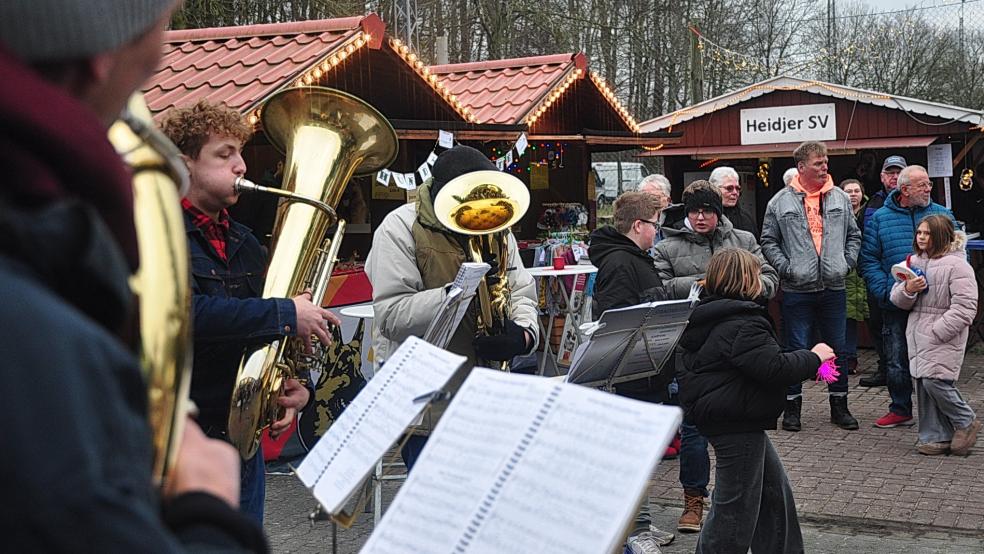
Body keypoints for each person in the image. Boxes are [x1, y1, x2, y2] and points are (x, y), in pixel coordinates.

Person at [0, 1, 266, 551]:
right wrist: (207, 508)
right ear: (100, 56)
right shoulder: (32, 327)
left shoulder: (243, 242)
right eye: (160, 27)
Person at [162, 99, 338, 524]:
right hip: (183, 442)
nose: (241, 165)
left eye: (240, 153)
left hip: (242, 443)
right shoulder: (159, 232)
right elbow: (184, 315)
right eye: (224, 155)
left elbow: (264, 336)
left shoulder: (246, 244)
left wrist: (291, 384)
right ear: (184, 165)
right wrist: (284, 312)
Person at [366, 145, 539, 470]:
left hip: (490, 397)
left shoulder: (497, 225)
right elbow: (391, 315)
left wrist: (524, 335)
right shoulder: (398, 227)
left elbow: (521, 290)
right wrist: (457, 292)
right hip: (430, 404)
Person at [677, 248, 832, 554]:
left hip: (730, 415)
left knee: (773, 495)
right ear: (747, 280)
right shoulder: (743, 322)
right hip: (735, 420)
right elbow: (775, 368)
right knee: (734, 512)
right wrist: (814, 357)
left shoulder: (711, 314)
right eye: (758, 274)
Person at [653, 180, 779, 533]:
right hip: (694, 344)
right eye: (694, 211)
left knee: (745, 424)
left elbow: (770, 278)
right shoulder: (667, 246)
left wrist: (743, 286)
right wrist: (706, 281)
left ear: (718, 212)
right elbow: (660, 289)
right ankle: (693, 499)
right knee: (694, 426)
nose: (701, 217)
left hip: (741, 341)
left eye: (708, 211)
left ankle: (743, 502)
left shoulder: (743, 239)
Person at [589, 190, 675, 552]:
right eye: (655, 224)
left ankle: (640, 521)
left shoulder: (634, 258)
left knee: (641, 454)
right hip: (631, 375)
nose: (657, 231)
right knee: (631, 455)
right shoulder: (621, 263)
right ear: (638, 225)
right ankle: (635, 531)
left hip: (645, 371)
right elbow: (617, 323)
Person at [761, 140, 861, 433]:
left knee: (835, 349)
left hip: (833, 286)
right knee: (796, 349)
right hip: (797, 289)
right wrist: (786, 268)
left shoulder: (840, 197)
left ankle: (838, 404)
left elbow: (854, 235)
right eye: (818, 163)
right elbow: (768, 240)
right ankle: (792, 407)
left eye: (826, 162)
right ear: (801, 167)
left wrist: (846, 263)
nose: (824, 167)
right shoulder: (780, 201)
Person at [859, 165, 954, 429]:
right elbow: (868, 259)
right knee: (896, 358)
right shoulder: (880, 218)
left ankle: (940, 412)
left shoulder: (942, 214)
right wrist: (884, 290)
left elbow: (959, 252)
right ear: (904, 190)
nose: (928, 188)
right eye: (922, 185)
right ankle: (900, 408)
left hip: (933, 303)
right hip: (895, 301)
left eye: (929, 184)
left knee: (934, 359)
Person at [890, 215, 980, 456]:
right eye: (919, 232)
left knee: (935, 380)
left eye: (927, 233)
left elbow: (966, 307)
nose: (921, 237)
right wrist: (908, 290)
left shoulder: (958, 265)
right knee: (922, 382)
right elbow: (897, 299)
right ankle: (936, 437)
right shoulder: (913, 261)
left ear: (940, 235)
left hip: (943, 335)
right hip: (917, 333)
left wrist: (938, 331)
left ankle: (965, 420)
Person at [858, 155, 906, 387]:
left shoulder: (916, 202)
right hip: (877, 277)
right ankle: (885, 368)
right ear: (882, 177)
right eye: (890, 173)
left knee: (905, 329)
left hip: (907, 279)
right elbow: (861, 240)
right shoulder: (871, 204)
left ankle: (905, 372)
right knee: (877, 325)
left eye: (899, 173)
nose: (894, 177)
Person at [841, 179, 869, 374]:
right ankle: (849, 358)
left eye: (856, 191)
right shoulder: (836, 213)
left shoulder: (870, 212)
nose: (852, 194)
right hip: (846, 272)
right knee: (846, 318)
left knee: (872, 316)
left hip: (865, 268)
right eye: (848, 191)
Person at [709, 166, 756, 235]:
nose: (735, 193)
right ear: (714, 189)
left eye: (737, 188)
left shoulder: (746, 220)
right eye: (729, 188)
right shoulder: (702, 218)